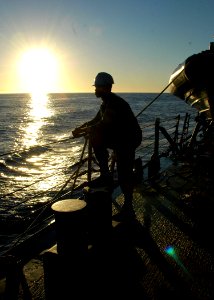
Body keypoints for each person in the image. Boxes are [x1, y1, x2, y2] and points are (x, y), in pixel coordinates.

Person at [72, 72, 142, 221]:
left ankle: (128, 210)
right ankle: (106, 175)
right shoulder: (106, 102)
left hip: (128, 140)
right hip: (121, 137)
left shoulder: (114, 103)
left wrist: (85, 130)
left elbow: (103, 123)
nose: (95, 90)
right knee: (96, 138)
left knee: (124, 174)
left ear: (104, 87)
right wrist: (81, 127)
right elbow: (95, 120)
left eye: (97, 87)